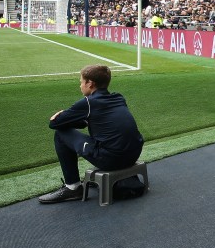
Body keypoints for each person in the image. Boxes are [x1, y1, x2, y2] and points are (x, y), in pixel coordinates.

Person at [37, 65, 144, 204]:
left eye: (81, 82)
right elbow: (98, 120)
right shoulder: (118, 97)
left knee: (60, 135)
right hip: (133, 155)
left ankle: (73, 187)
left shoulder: (88, 102)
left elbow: (54, 124)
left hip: (111, 160)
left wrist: (61, 115)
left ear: (90, 83)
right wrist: (83, 120)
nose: (80, 85)